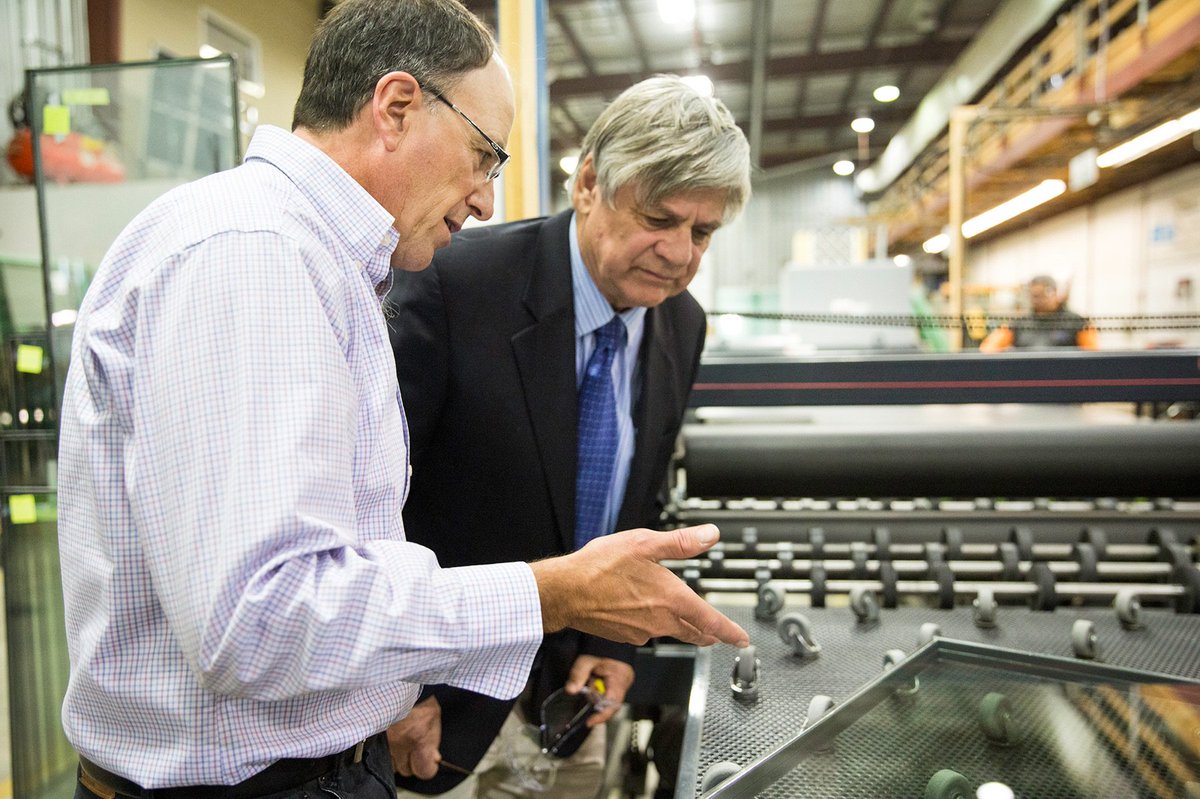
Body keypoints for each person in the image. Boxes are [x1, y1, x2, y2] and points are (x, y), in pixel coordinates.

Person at [56, 2, 747, 798]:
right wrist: (550, 593)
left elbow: (354, 543)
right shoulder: (252, 258)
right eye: (484, 155)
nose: (488, 197)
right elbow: (259, 622)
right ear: (394, 108)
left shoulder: (325, 266)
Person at [384, 75, 751, 798]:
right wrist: (387, 693)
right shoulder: (455, 285)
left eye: (701, 232)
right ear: (589, 184)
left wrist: (614, 642)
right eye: (659, 218)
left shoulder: (682, 324)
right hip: (433, 707)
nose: (680, 253)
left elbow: (639, 497)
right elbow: (374, 505)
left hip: (570, 701)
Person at [979, 274, 1098, 352]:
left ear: (1054, 292)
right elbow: (988, 349)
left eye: (1041, 295)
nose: (1036, 300)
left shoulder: (1078, 323)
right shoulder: (1018, 323)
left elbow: (1093, 355)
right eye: (1033, 296)